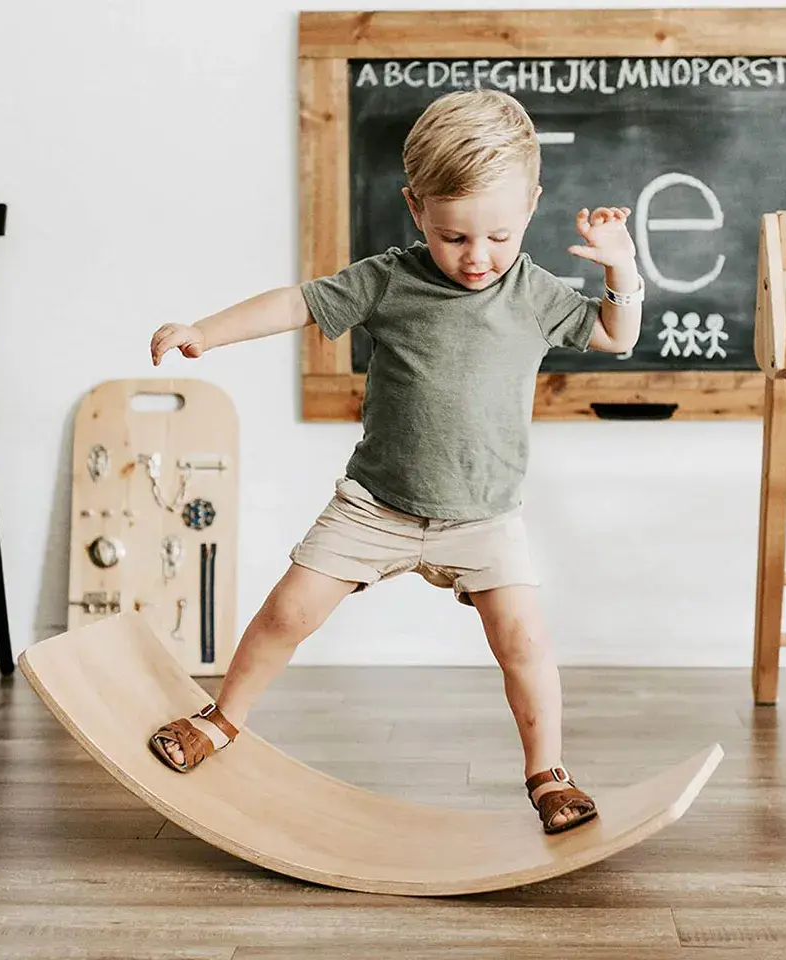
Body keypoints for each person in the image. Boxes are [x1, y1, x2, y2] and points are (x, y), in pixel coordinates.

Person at [146, 89, 643, 835]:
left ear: (533, 205)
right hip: (375, 506)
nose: (477, 258)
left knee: (525, 643)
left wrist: (622, 272)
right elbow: (295, 304)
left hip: (484, 517)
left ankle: (548, 772)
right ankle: (222, 718)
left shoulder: (534, 293)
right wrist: (205, 333)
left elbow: (615, 336)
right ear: (417, 209)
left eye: (499, 237)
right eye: (454, 238)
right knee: (288, 612)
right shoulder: (386, 279)